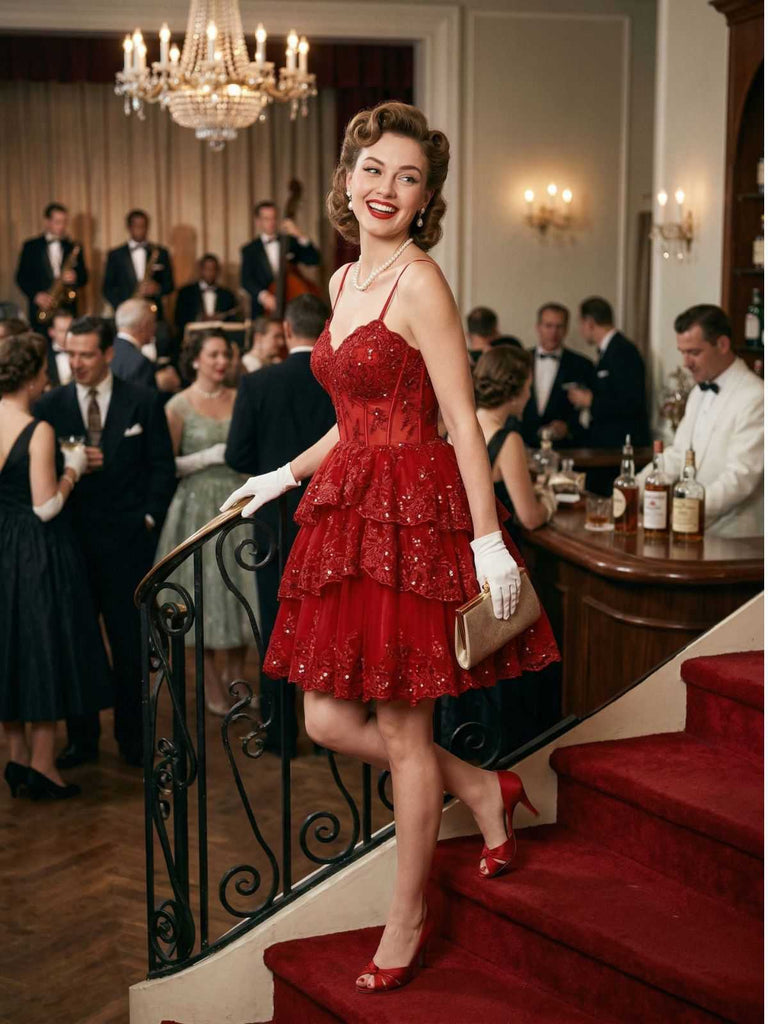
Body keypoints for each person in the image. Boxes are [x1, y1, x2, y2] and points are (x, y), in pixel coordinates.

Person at [222, 101, 559, 993]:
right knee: (326, 719)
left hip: (414, 511)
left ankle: (407, 917)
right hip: (349, 508)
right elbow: (352, 419)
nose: (387, 189)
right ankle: (482, 788)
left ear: (425, 199)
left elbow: (461, 421)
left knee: (406, 733)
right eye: (374, 170)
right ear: (347, 179)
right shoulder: (341, 282)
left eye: (408, 178)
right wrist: (282, 475)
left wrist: (489, 543)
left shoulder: (422, 282)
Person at [36, 316, 176, 767]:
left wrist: (149, 519)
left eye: (86, 354)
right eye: (70, 354)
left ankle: (132, 739)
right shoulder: (50, 404)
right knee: (77, 643)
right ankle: (82, 739)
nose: (76, 363)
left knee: (130, 646)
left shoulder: (143, 400)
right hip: (70, 543)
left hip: (128, 544)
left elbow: (162, 466)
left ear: (109, 354)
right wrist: (69, 465)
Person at [0, 332, 111, 799]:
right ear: (31, 377)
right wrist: (72, 470)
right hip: (35, 549)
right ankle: (44, 766)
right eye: (44, 369)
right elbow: (45, 506)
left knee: (9, 650)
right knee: (43, 650)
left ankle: (16, 758)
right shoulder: (37, 429)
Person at [225, 294, 335, 758]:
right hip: (331, 518)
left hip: (273, 523)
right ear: (326, 326)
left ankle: (280, 733)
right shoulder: (338, 380)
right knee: (330, 623)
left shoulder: (258, 383)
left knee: (275, 626)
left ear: (287, 330)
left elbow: (236, 454)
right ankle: (332, 732)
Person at [155, 329, 253, 715]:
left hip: (237, 501)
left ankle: (236, 677)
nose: (221, 362)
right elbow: (166, 464)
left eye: (225, 354)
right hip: (196, 505)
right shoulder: (178, 405)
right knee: (203, 593)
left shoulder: (240, 398)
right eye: (213, 355)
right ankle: (211, 684)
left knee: (241, 592)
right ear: (195, 359)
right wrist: (207, 457)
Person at [637, 305, 763, 537]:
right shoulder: (698, 392)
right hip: (692, 528)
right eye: (682, 352)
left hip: (734, 537)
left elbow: (740, 477)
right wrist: (635, 488)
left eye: (694, 352)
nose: (686, 362)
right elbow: (678, 455)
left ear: (722, 344)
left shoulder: (756, 396)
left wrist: (686, 507)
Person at [474, 346, 557, 532]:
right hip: (498, 544)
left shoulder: (457, 429)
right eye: (528, 387)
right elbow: (530, 518)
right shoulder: (508, 441)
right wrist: (550, 500)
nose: (529, 395)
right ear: (512, 394)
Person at [566, 296, 650, 448]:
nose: (580, 330)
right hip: (609, 442)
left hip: (621, 444)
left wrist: (590, 401)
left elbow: (630, 402)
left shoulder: (622, 351)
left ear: (589, 322)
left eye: (581, 323)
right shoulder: (610, 350)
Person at [520, 302, 594, 448]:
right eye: (548, 326)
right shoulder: (520, 360)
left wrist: (568, 428)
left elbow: (589, 412)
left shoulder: (582, 365)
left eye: (559, 327)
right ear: (538, 327)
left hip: (566, 448)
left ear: (566, 329)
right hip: (523, 445)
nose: (553, 332)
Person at [240, 201, 320, 318]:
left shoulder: (290, 242)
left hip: (292, 309)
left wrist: (299, 235)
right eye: (267, 219)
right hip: (263, 311)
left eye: (274, 218)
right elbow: (246, 280)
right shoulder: (249, 250)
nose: (271, 222)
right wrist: (264, 296)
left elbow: (314, 259)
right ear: (258, 221)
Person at [15, 202, 88, 326]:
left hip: (67, 308)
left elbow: (84, 277)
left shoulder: (74, 246)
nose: (62, 226)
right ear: (47, 222)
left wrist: (75, 276)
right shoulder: (30, 246)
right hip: (41, 308)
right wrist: (36, 295)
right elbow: (21, 277)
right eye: (57, 222)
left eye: (64, 222)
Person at [103, 209, 175, 321]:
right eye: (137, 226)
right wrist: (122, 307)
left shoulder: (161, 253)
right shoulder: (115, 255)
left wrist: (157, 289)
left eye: (144, 226)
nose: (141, 230)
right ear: (129, 227)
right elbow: (107, 288)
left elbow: (170, 285)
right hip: (126, 315)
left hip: (154, 313)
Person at [174, 253, 239, 341]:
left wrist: (219, 318)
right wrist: (200, 318)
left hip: (220, 337)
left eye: (213, 269)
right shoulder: (186, 293)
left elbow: (233, 319)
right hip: (194, 337)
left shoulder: (227, 295)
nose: (210, 273)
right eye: (207, 269)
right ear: (201, 270)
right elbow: (179, 319)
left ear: (218, 271)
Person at [45, 309, 74, 387]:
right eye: (62, 331)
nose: (68, 334)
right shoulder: (44, 355)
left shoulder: (83, 351)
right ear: (51, 332)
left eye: (70, 329)